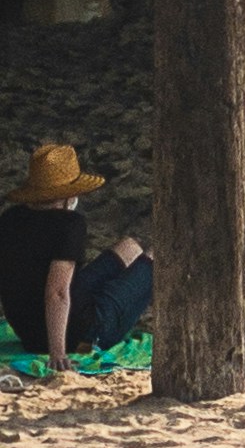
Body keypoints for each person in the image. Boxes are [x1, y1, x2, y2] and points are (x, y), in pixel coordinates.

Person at [1, 142, 151, 371]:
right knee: (158, 257)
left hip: (30, 333)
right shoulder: (69, 225)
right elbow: (57, 292)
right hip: (82, 335)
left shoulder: (10, 218)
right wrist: (57, 352)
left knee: (130, 247)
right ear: (68, 195)